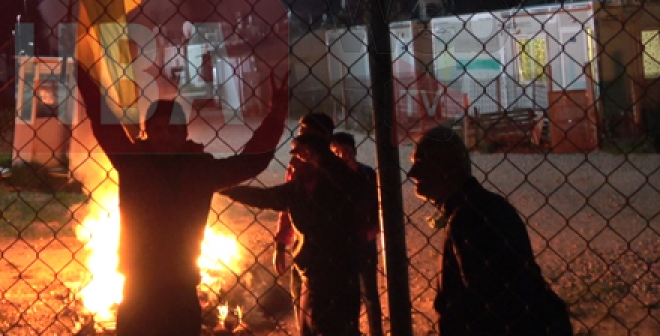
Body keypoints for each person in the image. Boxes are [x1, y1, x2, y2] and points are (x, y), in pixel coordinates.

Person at [75, 63, 290, 336]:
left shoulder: (199, 171)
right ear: (146, 132)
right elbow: (103, 122)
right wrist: (81, 75)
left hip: (181, 288)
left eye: (173, 131)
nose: (166, 137)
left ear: (184, 134)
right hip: (139, 286)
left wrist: (275, 116)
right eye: (158, 130)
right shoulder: (134, 164)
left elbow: (250, 162)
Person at [408, 126, 574, 336]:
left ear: (447, 166)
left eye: (421, 162)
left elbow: (488, 306)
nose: (412, 173)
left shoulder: (468, 219)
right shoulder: (485, 206)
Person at [222, 131, 367, 336]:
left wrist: (320, 156)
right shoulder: (297, 191)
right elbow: (263, 196)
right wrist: (226, 189)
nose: (291, 164)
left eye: (299, 158)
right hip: (313, 276)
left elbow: (352, 183)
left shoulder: (337, 187)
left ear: (314, 161)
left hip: (337, 276)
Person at [272, 113, 336, 327]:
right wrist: (281, 244)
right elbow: (288, 207)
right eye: (300, 133)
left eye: (307, 133)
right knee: (301, 304)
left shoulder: (335, 169)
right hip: (302, 248)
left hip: (330, 252)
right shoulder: (296, 164)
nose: (301, 138)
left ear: (323, 138)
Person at [330, 131, 384, 336]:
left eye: (344, 150)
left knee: (369, 290)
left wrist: (374, 228)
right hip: (342, 242)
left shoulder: (367, 174)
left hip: (364, 238)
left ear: (353, 150)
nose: (341, 155)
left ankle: (376, 331)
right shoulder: (330, 176)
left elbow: (378, 204)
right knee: (347, 292)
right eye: (335, 151)